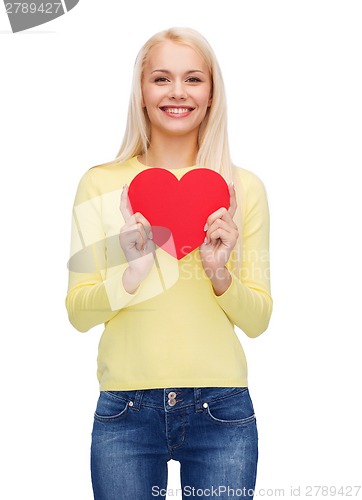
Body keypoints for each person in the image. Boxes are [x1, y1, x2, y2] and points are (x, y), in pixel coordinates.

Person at [65, 27, 273, 500]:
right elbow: (78, 313)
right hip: (125, 411)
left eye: (193, 79)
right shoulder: (101, 184)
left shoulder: (243, 189)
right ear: (141, 92)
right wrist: (133, 271)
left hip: (221, 411)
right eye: (161, 78)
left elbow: (259, 320)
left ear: (211, 93)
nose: (177, 92)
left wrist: (220, 272)